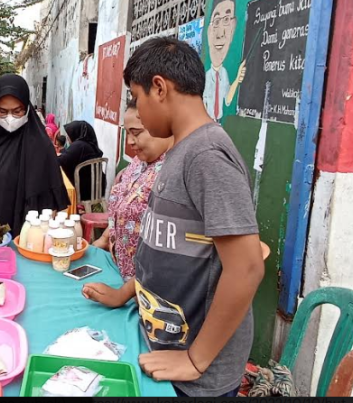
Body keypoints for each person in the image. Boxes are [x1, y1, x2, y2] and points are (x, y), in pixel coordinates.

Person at [83, 37, 264, 397]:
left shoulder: (207, 156)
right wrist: (124, 294)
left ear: (159, 88)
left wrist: (196, 359)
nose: (137, 110)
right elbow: (163, 249)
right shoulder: (179, 151)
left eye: (136, 98)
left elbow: (246, 267)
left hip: (197, 375)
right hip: (162, 344)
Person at [0, 74, 70, 235]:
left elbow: (50, 194)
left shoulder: (40, 145)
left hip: (21, 232)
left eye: (17, 111)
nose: (10, 117)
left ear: (27, 108)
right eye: (2, 111)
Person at [92, 99, 173, 280]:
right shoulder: (139, 162)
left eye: (136, 133)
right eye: (127, 133)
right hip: (117, 270)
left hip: (144, 288)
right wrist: (104, 240)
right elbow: (121, 210)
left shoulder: (173, 171)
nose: (129, 141)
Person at [203, 0, 246, 123]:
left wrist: (237, 79)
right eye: (216, 21)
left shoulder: (224, 74)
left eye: (227, 20)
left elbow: (227, 99)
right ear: (208, 31)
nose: (220, 33)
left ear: (234, 27)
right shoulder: (205, 77)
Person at [58, 120, 106, 202]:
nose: (67, 137)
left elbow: (61, 161)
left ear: (75, 133)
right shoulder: (88, 144)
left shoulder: (79, 145)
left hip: (84, 191)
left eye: (69, 134)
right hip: (96, 188)